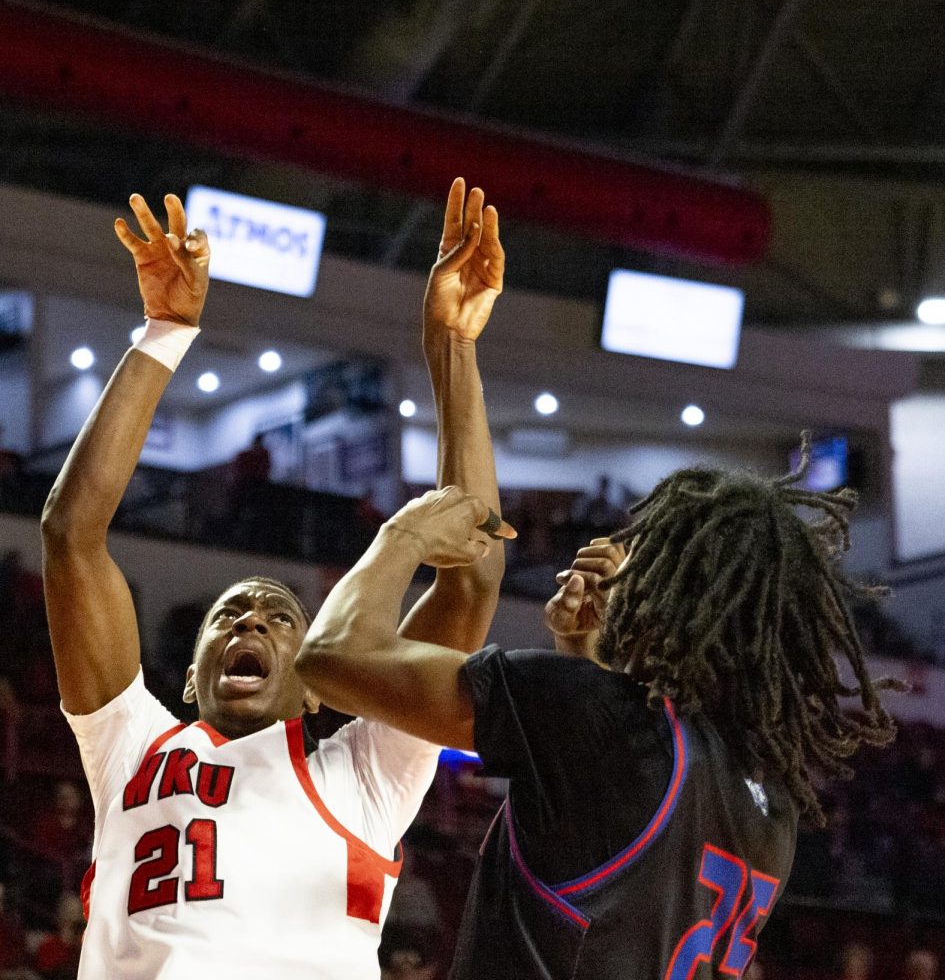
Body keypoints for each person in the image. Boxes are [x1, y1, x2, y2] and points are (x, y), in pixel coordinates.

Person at [40, 180, 510, 979]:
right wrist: (162, 331)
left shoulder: (365, 767)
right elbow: (70, 533)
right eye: (228, 615)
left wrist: (453, 350)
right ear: (188, 678)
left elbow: (468, 584)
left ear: (322, 682)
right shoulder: (130, 746)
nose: (250, 623)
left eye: (280, 617)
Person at [298, 443, 899, 979]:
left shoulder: (602, 721)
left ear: (672, 592)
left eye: (644, 556)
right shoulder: (770, 802)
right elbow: (604, 870)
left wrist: (402, 534)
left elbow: (332, 657)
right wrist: (589, 655)